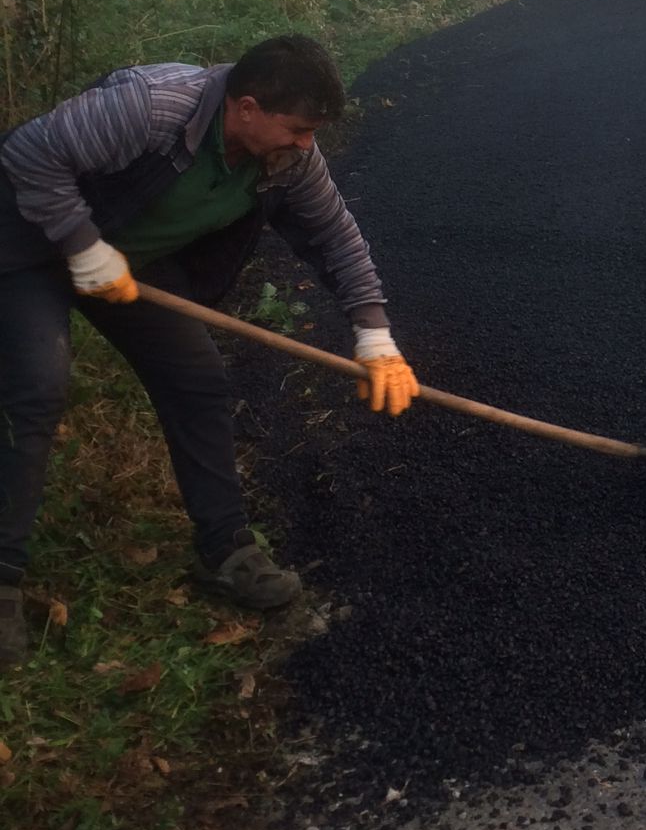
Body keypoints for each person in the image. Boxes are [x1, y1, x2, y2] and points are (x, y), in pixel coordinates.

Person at [0, 35, 419, 665]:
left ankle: (227, 551)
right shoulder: (152, 106)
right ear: (246, 106)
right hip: (33, 243)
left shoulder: (288, 161)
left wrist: (374, 334)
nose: (308, 145)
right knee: (38, 388)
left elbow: (335, 234)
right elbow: (28, 152)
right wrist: (82, 245)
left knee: (197, 381)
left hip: (132, 265)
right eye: (299, 129)